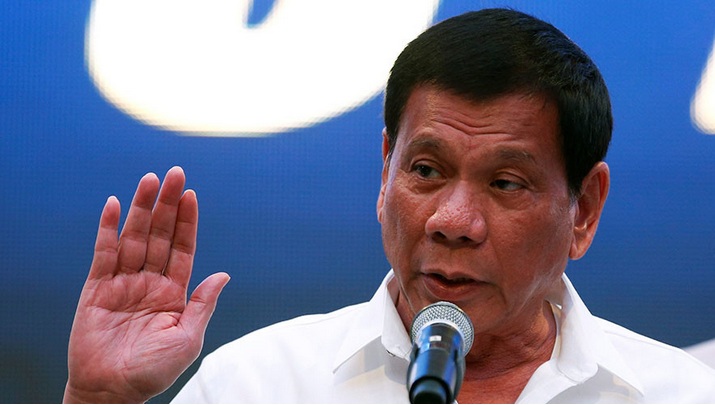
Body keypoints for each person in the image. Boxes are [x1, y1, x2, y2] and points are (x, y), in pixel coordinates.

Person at [63, 8, 715, 403]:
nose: (452, 221)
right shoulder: (257, 384)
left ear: (584, 209)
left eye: (505, 183)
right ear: (384, 172)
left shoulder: (680, 394)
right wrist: (98, 399)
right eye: (426, 170)